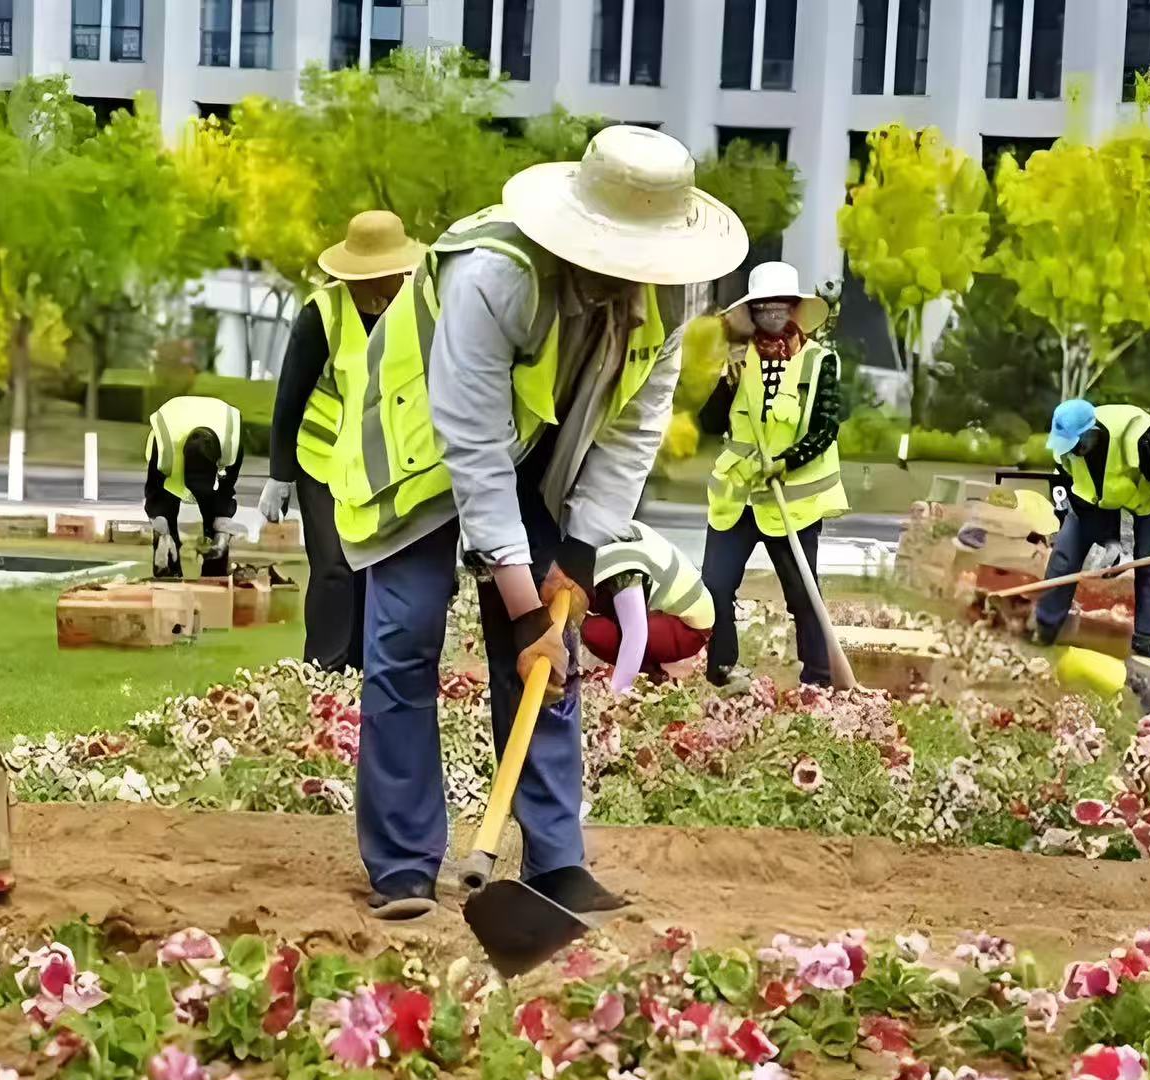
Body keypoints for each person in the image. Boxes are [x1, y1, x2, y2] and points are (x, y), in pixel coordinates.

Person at [330, 126, 747, 920]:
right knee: (405, 640)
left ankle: (554, 861)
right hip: (419, 447)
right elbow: (474, 448)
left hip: (534, 458)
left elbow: (632, 431)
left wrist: (578, 556)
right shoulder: (495, 277)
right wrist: (522, 607)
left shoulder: (667, 297)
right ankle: (403, 864)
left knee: (551, 654)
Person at [259, 212, 424, 671]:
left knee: (373, 568)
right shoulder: (322, 314)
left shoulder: (416, 312)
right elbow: (290, 397)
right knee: (333, 566)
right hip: (324, 462)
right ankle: (325, 672)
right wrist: (279, 475)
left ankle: (363, 670)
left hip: (384, 467)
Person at [698, 262, 844, 688]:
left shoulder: (819, 362)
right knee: (715, 586)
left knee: (803, 595)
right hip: (737, 496)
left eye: (780, 306)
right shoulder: (738, 361)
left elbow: (825, 428)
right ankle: (722, 669)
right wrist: (722, 383)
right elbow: (711, 425)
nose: (771, 314)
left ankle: (818, 679)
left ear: (794, 309)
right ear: (752, 312)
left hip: (791, 502)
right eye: (762, 307)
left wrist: (787, 460)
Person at [1034, 399, 1150, 657]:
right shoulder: (1064, 450)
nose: (1073, 451)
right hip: (1094, 501)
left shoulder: (1137, 437)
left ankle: (1146, 641)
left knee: (1148, 563)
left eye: (1078, 445)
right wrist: (1109, 543)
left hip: (1148, 496)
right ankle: (1045, 628)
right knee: (1064, 555)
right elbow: (1078, 497)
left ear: (1093, 432)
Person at [579, 521, 715, 692]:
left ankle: (653, 670)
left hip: (691, 630)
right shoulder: (610, 534)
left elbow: (635, 634)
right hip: (677, 605)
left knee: (594, 631)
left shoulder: (623, 574)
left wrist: (620, 687)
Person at [144, 395, 243, 580]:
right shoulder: (164, 447)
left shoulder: (231, 442)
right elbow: (155, 491)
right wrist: (162, 533)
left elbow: (226, 490)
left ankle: (215, 570)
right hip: (169, 447)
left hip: (213, 431)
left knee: (213, 516)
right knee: (166, 518)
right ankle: (167, 566)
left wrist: (221, 532)